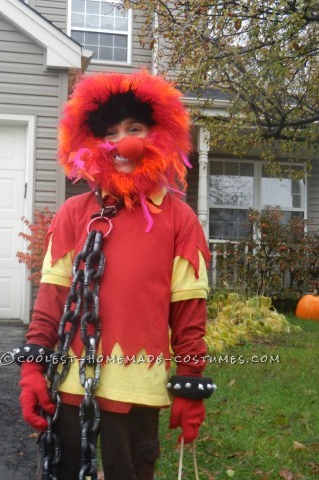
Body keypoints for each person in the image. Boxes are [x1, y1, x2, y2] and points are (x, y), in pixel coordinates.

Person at [17, 69, 213, 480]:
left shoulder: (180, 220)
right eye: (110, 132)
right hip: (72, 385)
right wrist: (33, 368)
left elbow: (188, 311)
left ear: (159, 134)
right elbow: (52, 297)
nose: (122, 142)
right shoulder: (73, 214)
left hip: (138, 388)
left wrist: (189, 380)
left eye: (135, 128)